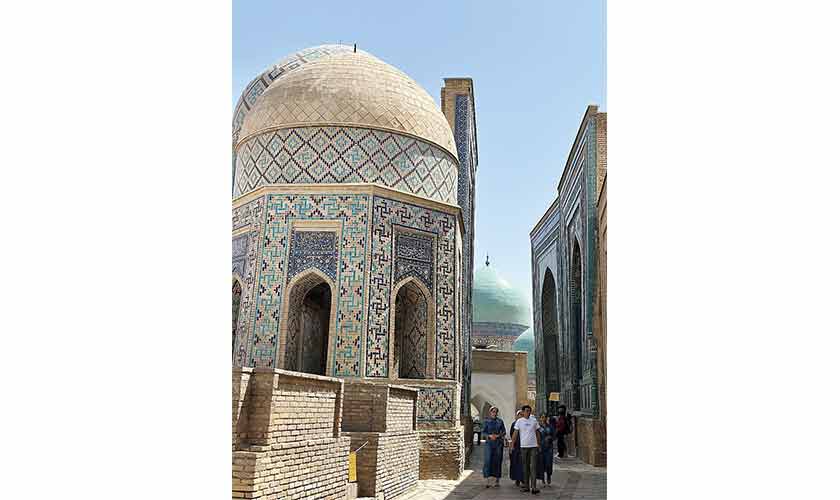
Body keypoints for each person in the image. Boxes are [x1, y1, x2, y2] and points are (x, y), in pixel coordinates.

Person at [512, 405, 541, 494]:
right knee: (525, 467)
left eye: (529, 411)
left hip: (533, 446)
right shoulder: (519, 421)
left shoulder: (534, 421)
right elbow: (515, 434)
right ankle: (526, 486)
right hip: (524, 447)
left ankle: (534, 487)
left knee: (533, 466)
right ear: (523, 412)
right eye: (526, 411)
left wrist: (539, 444)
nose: (528, 412)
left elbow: (537, 433)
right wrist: (512, 445)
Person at [481, 407, 505, 488]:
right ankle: (488, 480)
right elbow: (483, 432)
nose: (494, 413)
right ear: (490, 412)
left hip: (498, 443)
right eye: (493, 411)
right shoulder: (486, 421)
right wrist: (489, 436)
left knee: (497, 461)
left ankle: (497, 480)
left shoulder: (500, 421)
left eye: (495, 412)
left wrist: (498, 436)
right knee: (488, 460)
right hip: (489, 443)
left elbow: (503, 431)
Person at [536, 414, 555, 486]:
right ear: (540, 418)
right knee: (541, 463)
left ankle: (549, 476)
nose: (543, 419)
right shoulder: (538, 427)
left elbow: (554, 435)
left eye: (544, 417)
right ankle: (543, 479)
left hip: (549, 448)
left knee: (548, 463)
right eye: (542, 417)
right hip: (541, 447)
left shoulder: (550, 427)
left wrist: (550, 438)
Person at [508, 410, 524, 487]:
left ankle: (523, 479)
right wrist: (512, 445)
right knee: (516, 462)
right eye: (519, 414)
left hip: (523, 445)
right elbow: (512, 434)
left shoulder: (524, 423)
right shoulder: (514, 424)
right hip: (516, 445)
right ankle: (517, 478)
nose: (520, 416)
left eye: (522, 414)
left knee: (523, 463)